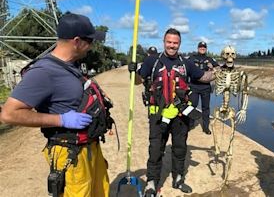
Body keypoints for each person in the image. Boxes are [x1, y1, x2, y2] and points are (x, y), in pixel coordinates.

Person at [0, 13, 110, 197]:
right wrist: (60, 119)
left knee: (101, 191)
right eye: (90, 41)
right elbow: (9, 114)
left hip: (89, 147)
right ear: (76, 41)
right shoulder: (44, 71)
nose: (91, 46)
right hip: (70, 152)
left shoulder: (71, 66)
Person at [129, 28, 214, 196]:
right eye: (169, 42)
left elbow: (203, 77)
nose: (172, 46)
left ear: (179, 44)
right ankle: (152, 183)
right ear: (164, 42)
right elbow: (138, 82)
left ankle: (178, 179)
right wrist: (132, 72)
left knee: (180, 149)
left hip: (180, 116)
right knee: (155, 150)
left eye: (175, 43)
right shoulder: (151, 62)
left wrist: (221, 71)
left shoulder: (186, 63)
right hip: (158, 116)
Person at [187, 41, 219, 134]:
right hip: (194, 86)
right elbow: (185, 67)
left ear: (206, 49)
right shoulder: (192, 58)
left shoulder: (210, 59)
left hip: (205, 87)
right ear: (198, 48)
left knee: (206, 108)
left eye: (204, 47)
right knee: (192, 105)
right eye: (201, 47)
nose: (202, 48)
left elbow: (219, 68)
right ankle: (190, 124)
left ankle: (205, 127)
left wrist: (213, 68)